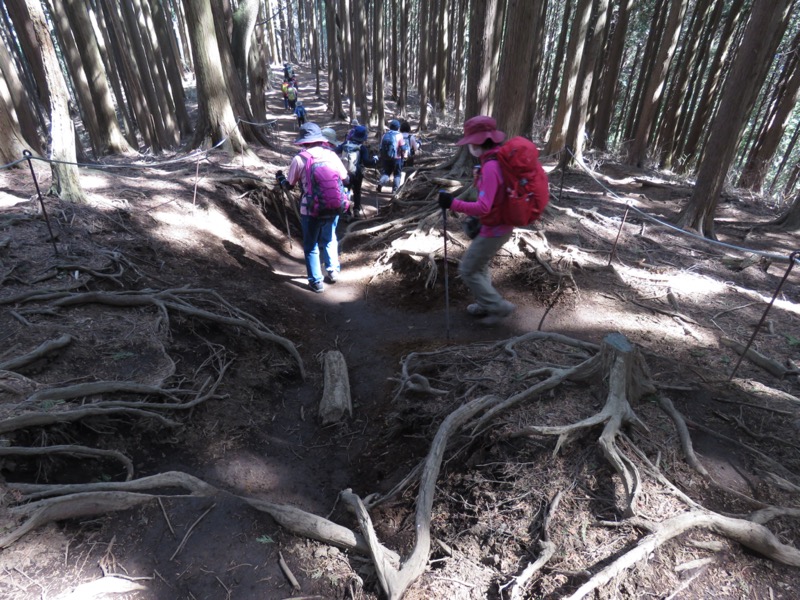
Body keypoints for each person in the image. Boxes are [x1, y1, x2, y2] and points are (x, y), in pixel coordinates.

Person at [437, 115, 516, 325]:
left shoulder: (491, 166)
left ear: (479, 142)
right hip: (499, 224)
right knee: (479, 265)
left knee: (467, 269)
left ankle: (499, 307)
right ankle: (485, 303)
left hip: (495, 228)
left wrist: (452, 203)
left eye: (471, 142)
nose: (469, 147)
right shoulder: (495, 160)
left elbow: (483, 206)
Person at [276, 123, 349, 293]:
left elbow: (289, 185)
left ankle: (316, 282)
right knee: (330, 237)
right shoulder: (331, 155)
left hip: (310, 210)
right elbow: (345, 179)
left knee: (311, 245)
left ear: (304, 142)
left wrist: (280, 179)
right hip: (334, 205)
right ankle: (333, 271)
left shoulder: (299, 159)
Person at [336, 125, 379, 220]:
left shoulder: (345, 144)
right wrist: (375, 160)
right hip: (357, 173)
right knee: (357, 191)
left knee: (346, 191)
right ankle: (356, 210)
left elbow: (336, 151)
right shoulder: (362, 148)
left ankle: (346, 212)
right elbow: (367, 162)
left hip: (344, 173)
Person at [378, 119, 408, 194]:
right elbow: (403, 147)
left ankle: (380, 183)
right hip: (397, 158)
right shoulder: (399, 135)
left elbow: (381, 147)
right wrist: (404, 155)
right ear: (398, 127)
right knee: (397, 174)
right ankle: (395, 190)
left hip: (386, 157)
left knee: (387, 172)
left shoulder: (385, 135)